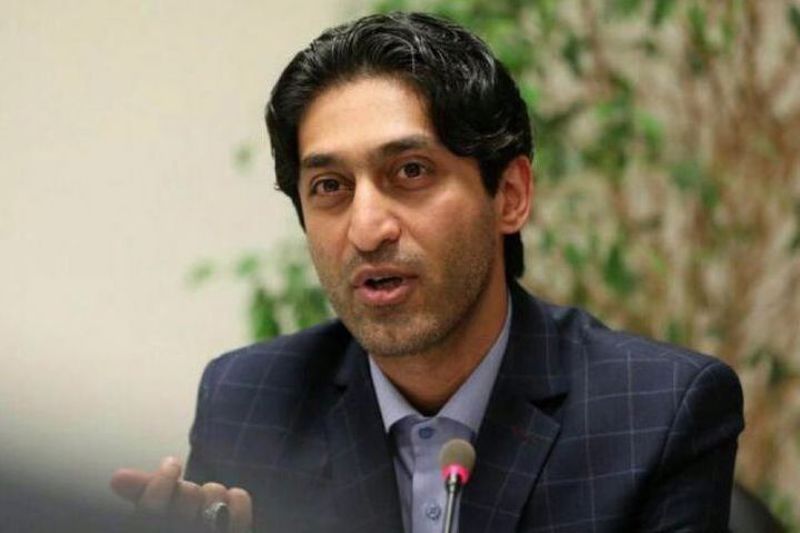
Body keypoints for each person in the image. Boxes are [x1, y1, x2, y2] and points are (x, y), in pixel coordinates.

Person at [111, 12, 744, 533]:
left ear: (510, 195)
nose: (367, 230)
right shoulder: (251, 402)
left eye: (410, 172)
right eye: (330, 186)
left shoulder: (655, 412)